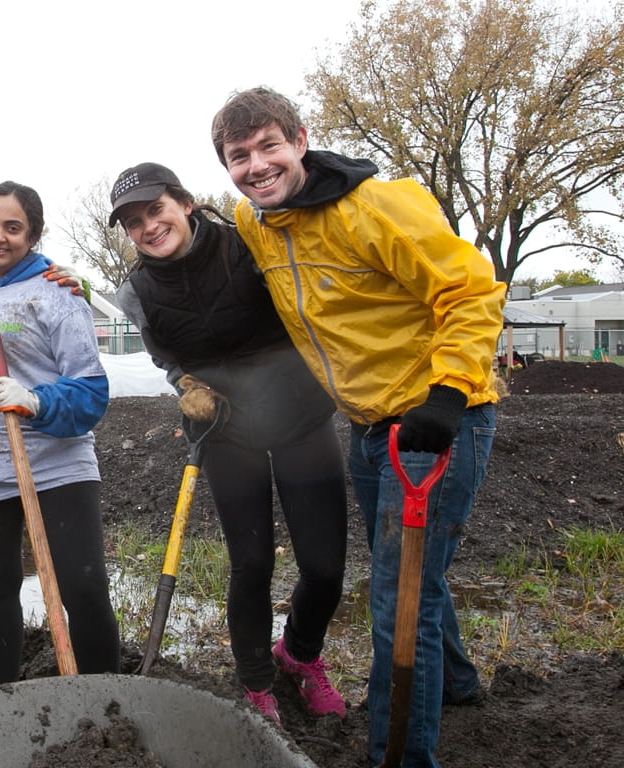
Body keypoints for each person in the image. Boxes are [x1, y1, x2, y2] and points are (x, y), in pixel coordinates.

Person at [212, 87, 504, 767]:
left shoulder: (376, 206)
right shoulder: (255, 221)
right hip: (372, 429)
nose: (256, 166)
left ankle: (398, 755)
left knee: (398, 599)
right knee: (410, 576)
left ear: (301, 139)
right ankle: (457, 685)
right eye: (239, 155)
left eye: (269, 146)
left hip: (436, 423)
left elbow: (469, 289)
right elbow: (197, 252)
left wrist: (448, 393)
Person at [108, 162, 349, 724]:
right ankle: (256, 682)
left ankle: (299, 656)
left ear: (185, 203)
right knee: (252, 562)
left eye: (156, 210)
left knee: (324, 566)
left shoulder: (250, 247)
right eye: (133, 221)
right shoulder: (137, 291)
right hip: (226, 429)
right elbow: (168, 359)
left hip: (300, 418)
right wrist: (186, 385)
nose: (148, 227)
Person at [0, 181, 121, 683]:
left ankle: (104, 702)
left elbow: (91, 392)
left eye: (14, 227)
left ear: (35, 234)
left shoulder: (58, 294)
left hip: (55, 463)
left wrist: (36, 399)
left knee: (83, 587)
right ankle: (6, 704)